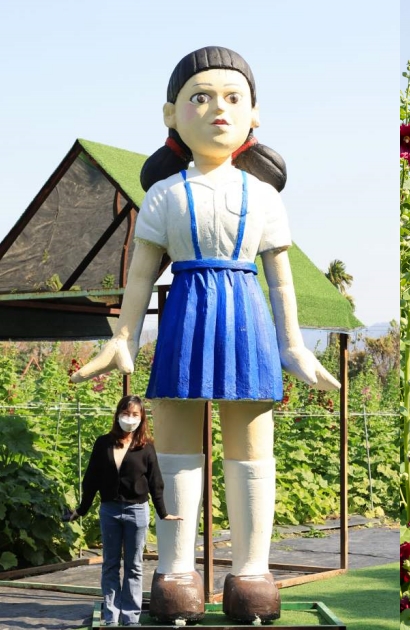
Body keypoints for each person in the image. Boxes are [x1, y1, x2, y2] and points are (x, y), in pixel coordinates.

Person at [69, 46, 339, 623]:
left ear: (254, 114)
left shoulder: (264, 197)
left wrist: (292, 345)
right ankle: (174, 576)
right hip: (187, 316)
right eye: (201, 96)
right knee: (174, 444)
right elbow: (141, 272)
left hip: (246, 320)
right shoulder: (164, 196)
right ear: (171, 114)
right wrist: (123, 336)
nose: (218, 108)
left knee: (251, 443)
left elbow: (280, 281)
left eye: (232, 97)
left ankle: (252, 575)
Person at [64, 396, 181, 626]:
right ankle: (111, 616)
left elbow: (155, 481)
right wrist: (81, 509)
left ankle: (130, 617)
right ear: (118, 415)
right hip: (109, 510)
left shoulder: (146, 447)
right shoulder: (103, 444)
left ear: (142, 418)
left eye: (135, 415)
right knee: (110, 564)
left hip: (137, 511)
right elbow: (91, 480)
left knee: (134, 566)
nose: (130, 419)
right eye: (126, 413)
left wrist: (163, 512)